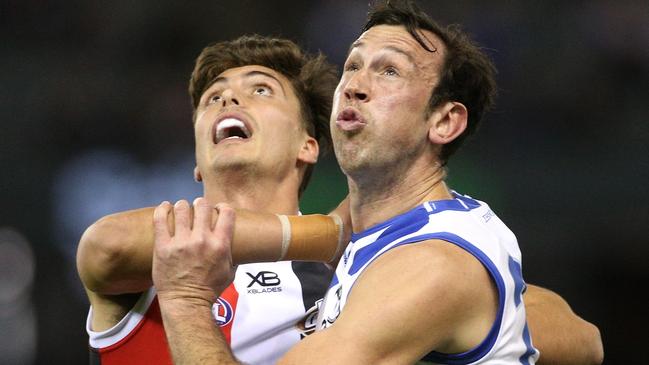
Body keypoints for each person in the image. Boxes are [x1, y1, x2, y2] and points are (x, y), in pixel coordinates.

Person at [148, 1, 604, 365]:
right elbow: (587, 341)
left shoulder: (430, 264)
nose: (354, 86)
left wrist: (185, 298)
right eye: (353, 66)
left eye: (389, 71)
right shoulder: (405, 230)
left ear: (444, 122)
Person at [76, 34, 345, 365]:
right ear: (197, 163)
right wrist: (329, 232)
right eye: (212, 97)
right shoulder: (150, 260)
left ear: (307, 145)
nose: (229, 97)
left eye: (261, 90)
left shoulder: (341, 284)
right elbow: (107, 245)